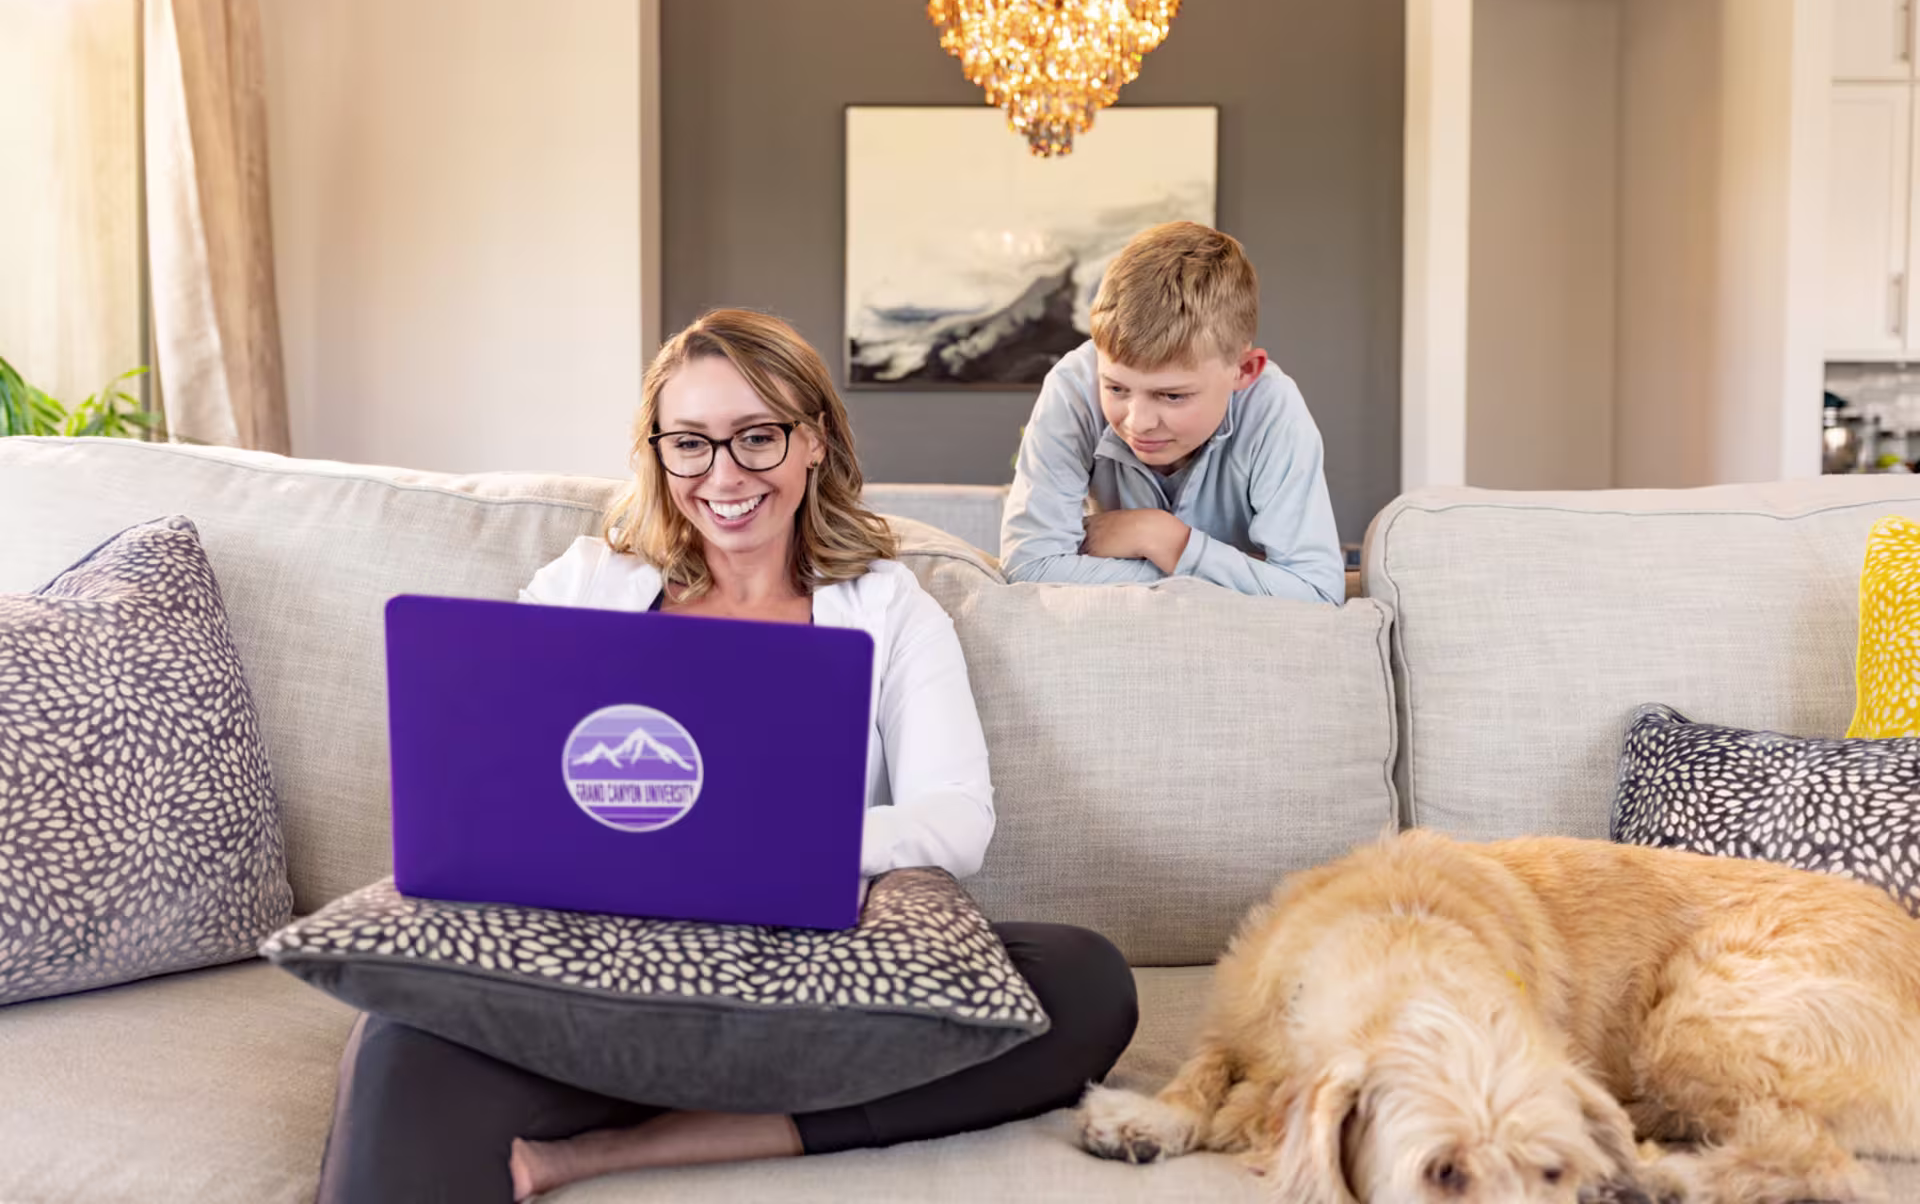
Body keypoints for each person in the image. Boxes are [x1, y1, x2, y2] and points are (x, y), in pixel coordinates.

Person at [314, 309, 1138, 1203]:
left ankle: (621, 1147)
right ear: (658, 452)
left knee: (1082, 979)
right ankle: (609, 1087)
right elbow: (486, 777)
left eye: (758, 437)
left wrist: (757, 850)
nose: (725, 476)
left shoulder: (889, 608)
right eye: (691, 445)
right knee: (400, 1031)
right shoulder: (586, 585)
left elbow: (957, 818)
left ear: (814, 440)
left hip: (804, 977)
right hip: (596, 968)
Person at [999, 221, 1344, 602]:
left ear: (1243, 371)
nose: (1138, 423)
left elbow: (1317, 593)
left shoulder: (1274, 407)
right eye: (1116, 388)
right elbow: (1028, 568)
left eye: (1172, 396)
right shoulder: (1074, 385)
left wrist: (1158, 537)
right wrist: (1248, 574)